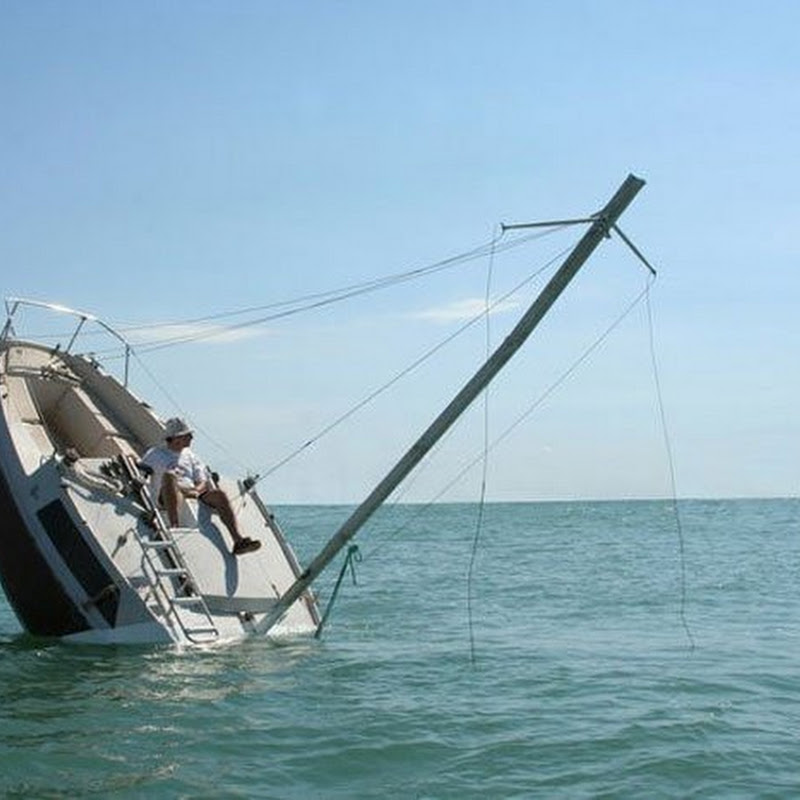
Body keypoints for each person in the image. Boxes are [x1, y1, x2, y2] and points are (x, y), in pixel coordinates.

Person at [141, 417, 261, 556]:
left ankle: (238, 540)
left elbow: (202, 480)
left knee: (219, 495)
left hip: (192, 492)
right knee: (169, 476)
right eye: (188, 435)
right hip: (167, 493)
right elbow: (142, 472)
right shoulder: (155, 454)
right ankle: (174, 529)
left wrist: (196, 491)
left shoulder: (190, 456)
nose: (192, 437)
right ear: (177, 437)